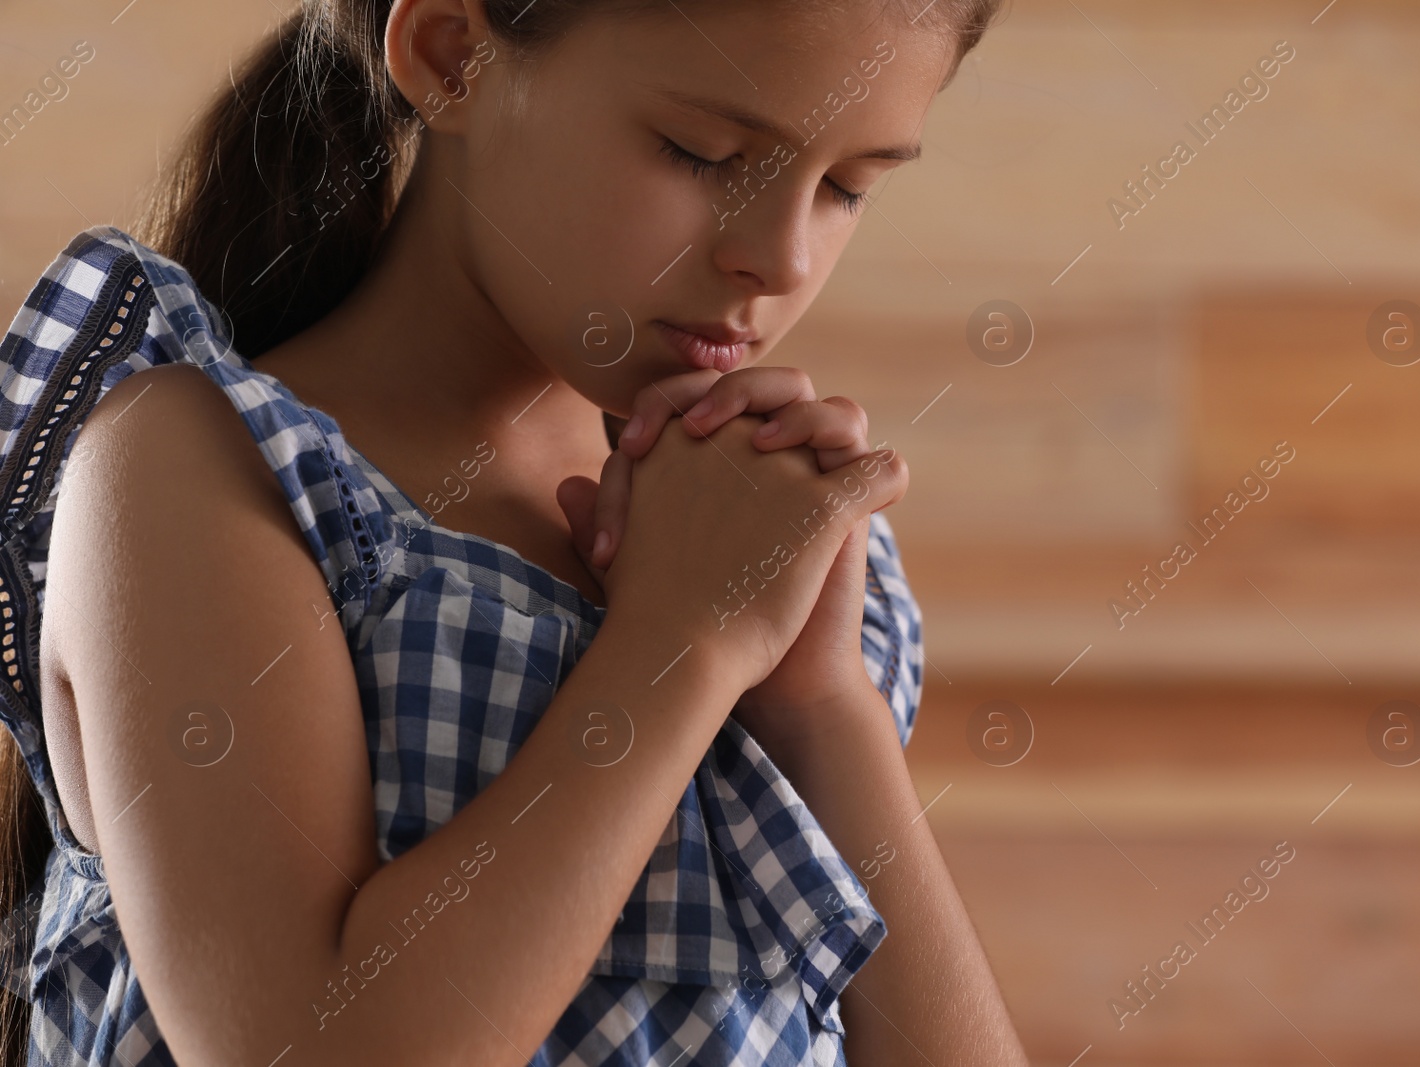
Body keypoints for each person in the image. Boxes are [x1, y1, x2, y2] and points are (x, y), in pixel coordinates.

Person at [0, 0, 1027, 1063]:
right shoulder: (195, 467)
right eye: (704, 154)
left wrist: (822, 706)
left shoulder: (764, 533)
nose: (779, 256)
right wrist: (679, 649)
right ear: (453, 57)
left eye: (846, 187)